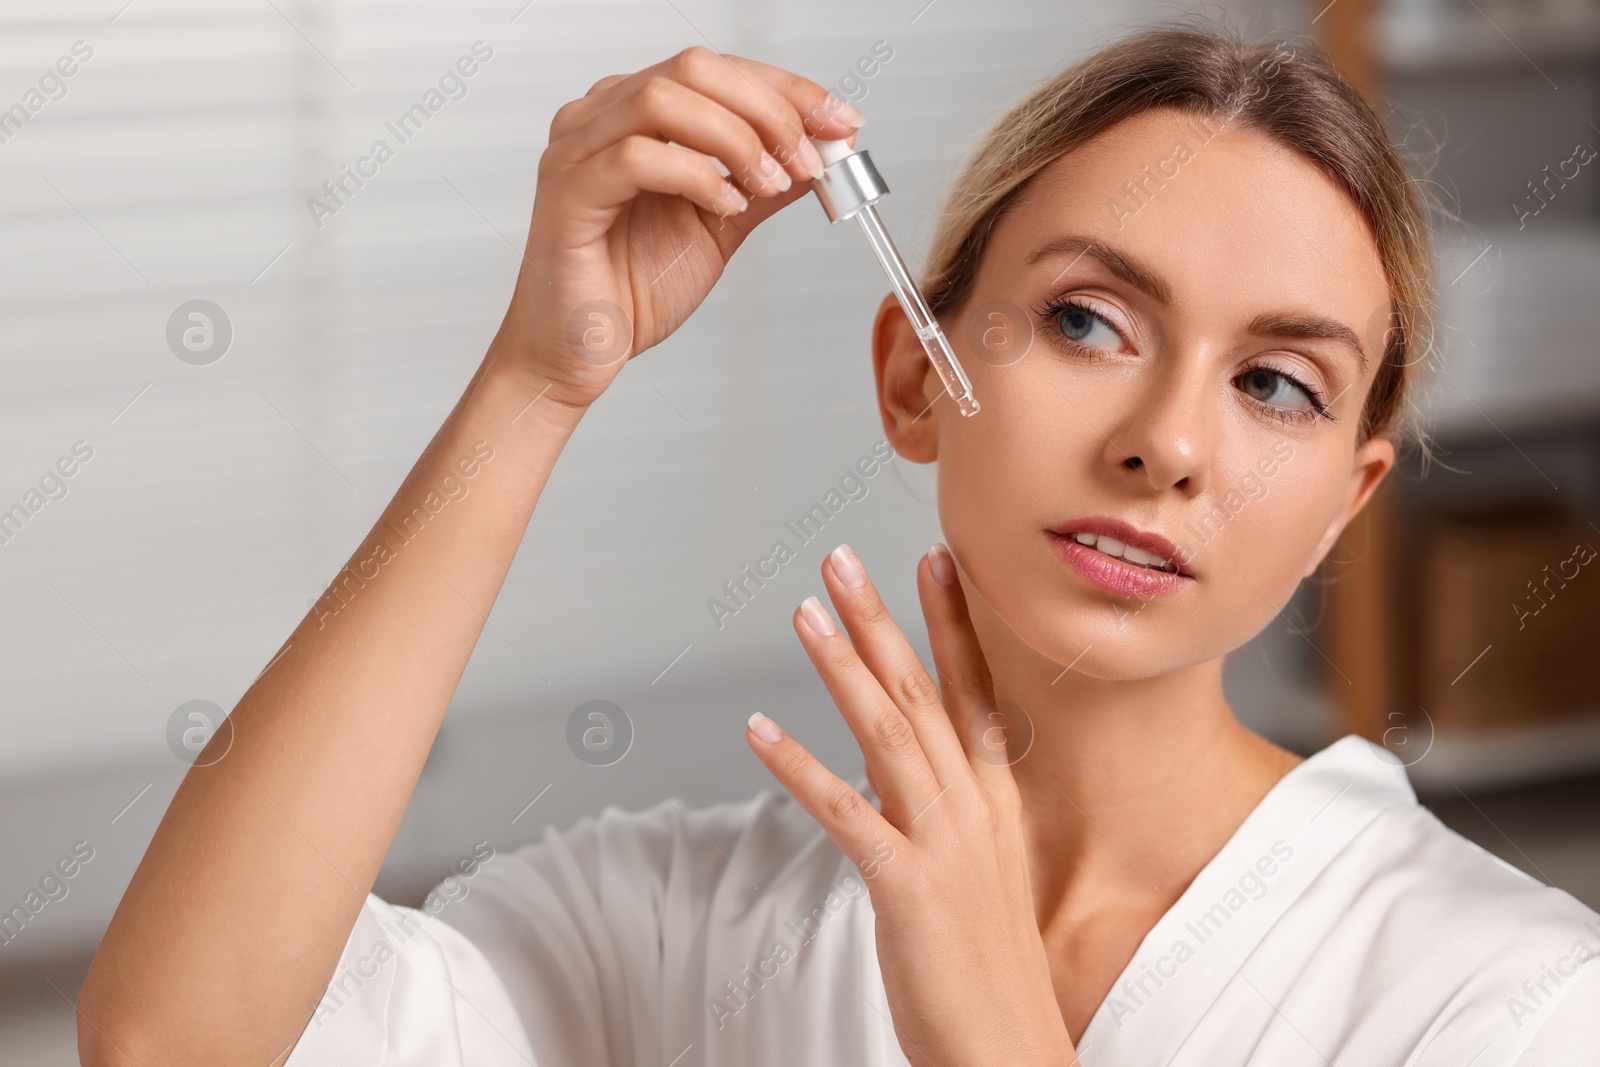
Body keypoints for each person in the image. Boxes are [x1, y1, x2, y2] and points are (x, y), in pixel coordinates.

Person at [78, 21, 1600, 1067]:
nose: (1171, 443)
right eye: (1088, 319)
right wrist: (538, 381)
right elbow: (174, 1043)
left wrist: (996, 1035)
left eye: (1277, 384)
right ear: (909, 377)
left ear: (1347, 496)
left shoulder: (1513, 996)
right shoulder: (678, 926)